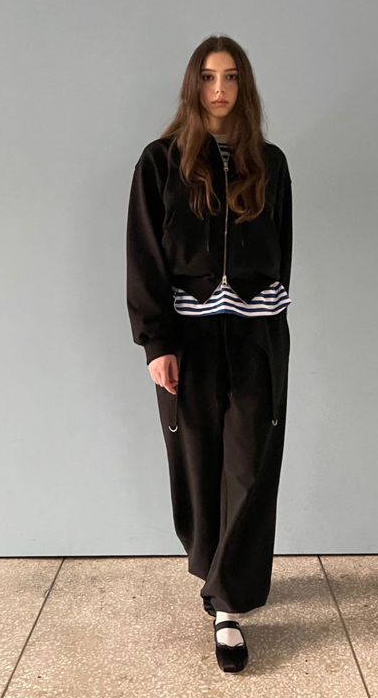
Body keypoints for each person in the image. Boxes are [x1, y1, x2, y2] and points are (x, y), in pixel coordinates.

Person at [126, 34, 293, 673]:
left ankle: (226, 607)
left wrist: (273, 327)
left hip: (256, 336)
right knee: (198, 467)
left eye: (231, 78)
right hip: (188, 340)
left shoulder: (270, 163)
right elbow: (145, 255)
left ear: (244, 87)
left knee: (250, 468)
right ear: (193, 85)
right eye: (208, 77)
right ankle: (215, 570)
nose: (219, 90)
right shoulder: (161, 162)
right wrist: (156, 342)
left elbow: (282, 247)